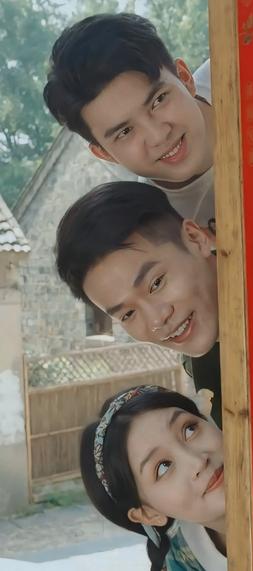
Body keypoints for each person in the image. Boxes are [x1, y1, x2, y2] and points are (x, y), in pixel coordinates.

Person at [56, 181, 222, 428]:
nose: (156, 320)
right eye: (128, 314)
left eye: (156, 283)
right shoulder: (203, 370)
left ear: (195, 239)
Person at [43, 13, 215, 229]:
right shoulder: (160, 232)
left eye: (158, 100)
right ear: (105, 154)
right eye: (125, 132)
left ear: (185, 77)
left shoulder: (247, 64)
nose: (158, 136)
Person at [81, 384, 227, 571]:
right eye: (163, 467)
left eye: (189, 430)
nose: (197, 461)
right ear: (149, 514)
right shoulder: (183, 564)